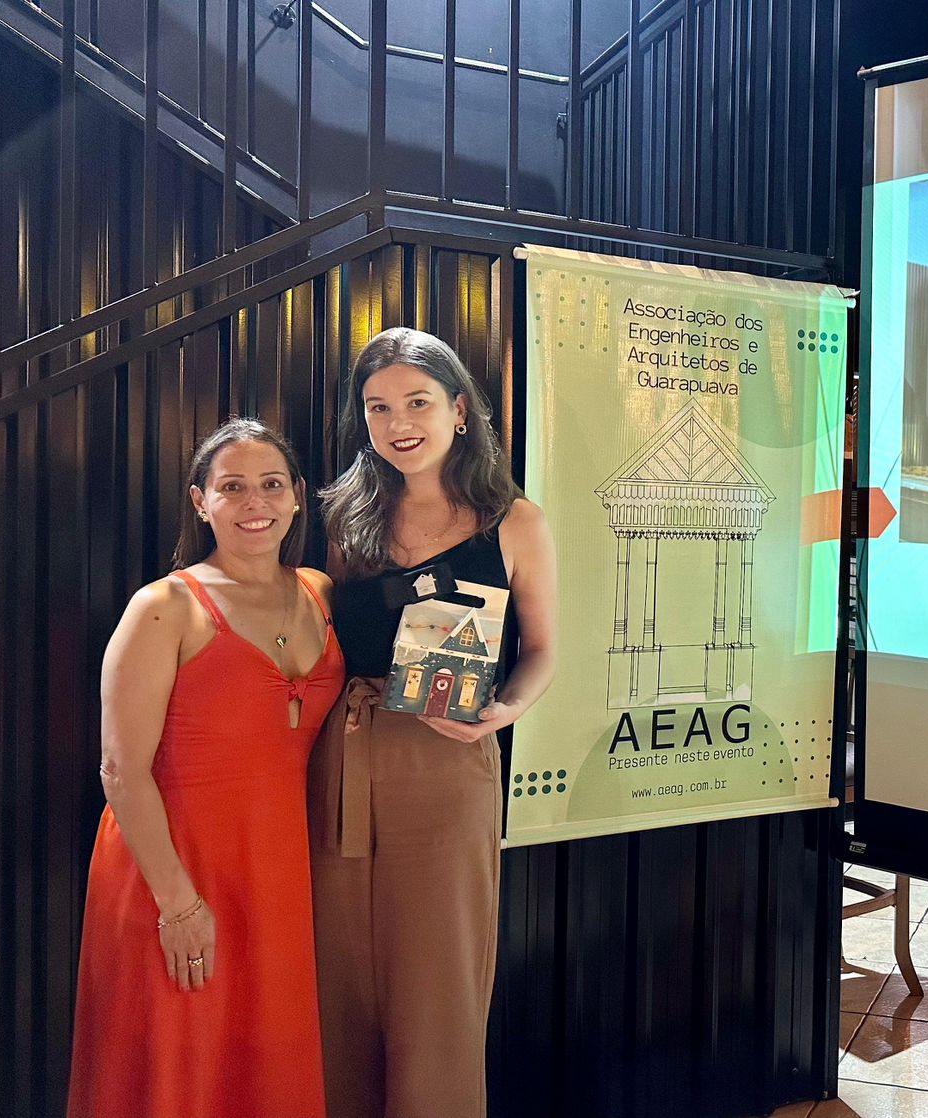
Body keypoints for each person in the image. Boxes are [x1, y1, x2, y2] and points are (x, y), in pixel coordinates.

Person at [69, 419, 345, 1118]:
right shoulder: (165, 607)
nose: (255, 503)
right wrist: (178, 905)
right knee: (176, 1068)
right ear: (201, 501)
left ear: (297, 496)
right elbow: (120, 770)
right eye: (232, 487)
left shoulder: (322, 592)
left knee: (265, 1068)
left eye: (271, 484)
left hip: (278, 871)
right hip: (173, 870)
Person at [313, 327, 555, 1118]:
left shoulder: (512, 521)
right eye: (378, 407)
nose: (398, 423)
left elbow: (544, 650)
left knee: (439, 973)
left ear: (458, 409)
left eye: (417, 402)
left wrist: (503, 713)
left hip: (450, 759)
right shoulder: (345, 515)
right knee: (340, 969)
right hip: (344, 753)